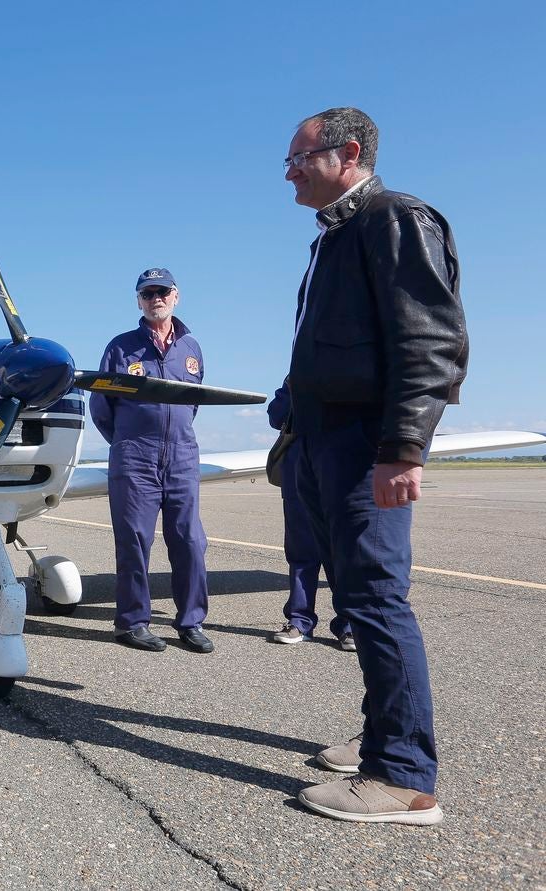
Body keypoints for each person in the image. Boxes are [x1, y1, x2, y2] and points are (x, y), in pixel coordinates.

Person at [283, 107, 467, 825]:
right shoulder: (335, 237)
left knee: (378, 599)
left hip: (366, 446)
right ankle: (382, 737)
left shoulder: (395, 218)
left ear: (348, 152)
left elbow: (429, 341)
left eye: (299, 157)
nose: (291, 171)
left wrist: (402, 448)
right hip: (325, 441)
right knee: (358, 598)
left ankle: (402, 778)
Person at [90, 268, 213, 654]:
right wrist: (128, 442)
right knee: (134, 541)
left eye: (162, 292)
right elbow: (101, 405)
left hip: (181, 456)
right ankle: (131, 622)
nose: (155, 298)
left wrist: (173, 437)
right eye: (147, 294)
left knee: (190, 541)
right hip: (135, 457)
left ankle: (190, 621)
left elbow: (193, 402)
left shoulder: (191, 347)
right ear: (139, 301)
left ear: (175, 295)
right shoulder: (121, 347)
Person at [266, 380, 354, 650]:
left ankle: (350, 624)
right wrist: (294, 388)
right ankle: (300, 620)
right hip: (299, 474)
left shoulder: (350, 366)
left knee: (343, 552)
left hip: (340, 468)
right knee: (301, 553)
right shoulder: (295, 375)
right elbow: (275, 416)